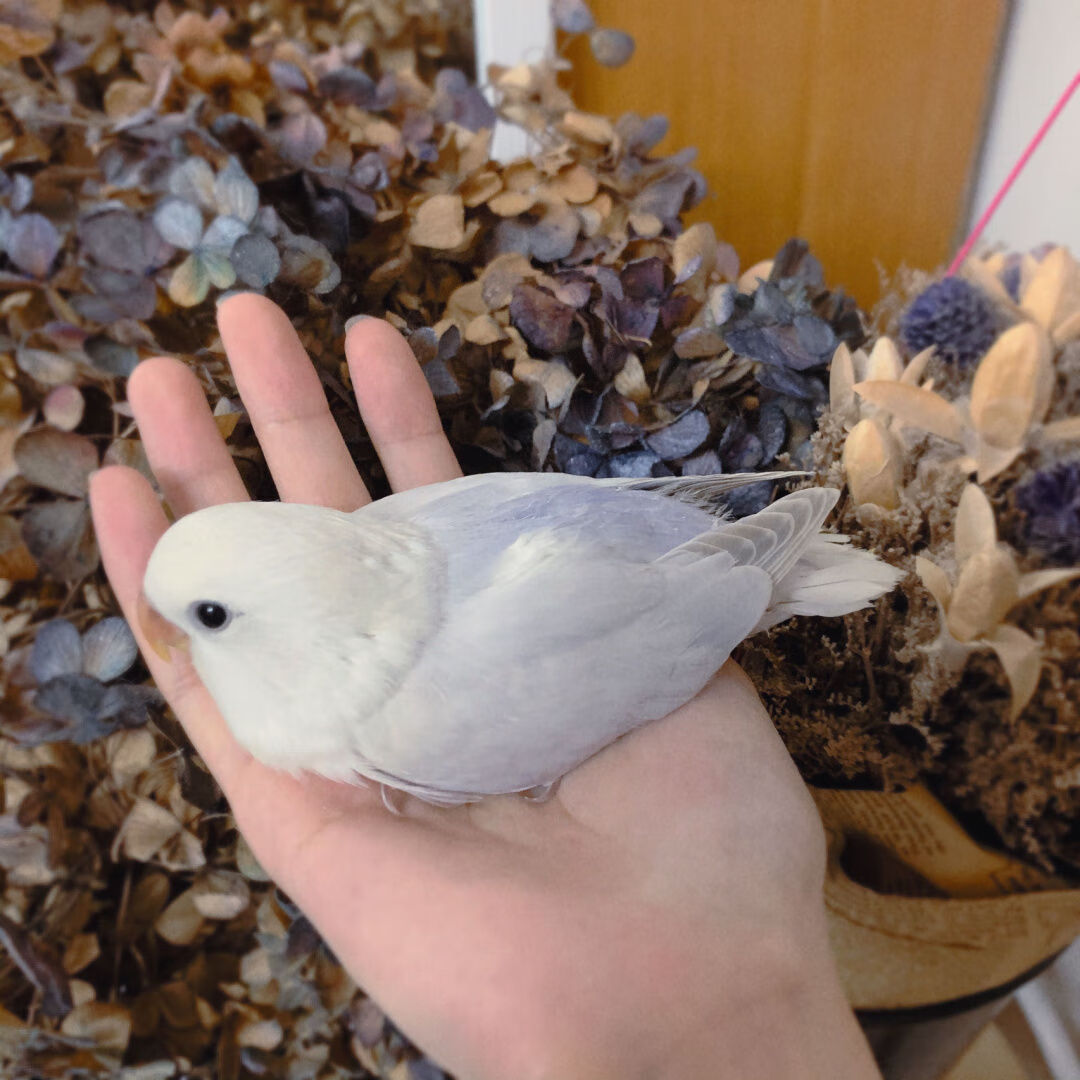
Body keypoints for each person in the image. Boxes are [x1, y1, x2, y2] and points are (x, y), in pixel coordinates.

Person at [89, 293, 882, 1080]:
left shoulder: (403, 723)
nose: (162, 640)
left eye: (213, 616)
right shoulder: (401, 526)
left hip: (684, 585)